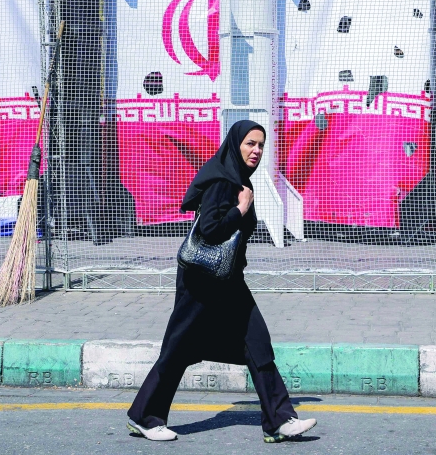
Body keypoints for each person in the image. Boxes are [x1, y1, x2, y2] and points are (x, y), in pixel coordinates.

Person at [127, 120, 318, 443]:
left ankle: (279, 419)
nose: (256, 150)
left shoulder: (239, 179)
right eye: (250, 144)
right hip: (201, 282)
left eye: (260, 145)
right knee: (177, 349)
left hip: (227, 280)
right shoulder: (222, 181)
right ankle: (144, 416)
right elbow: (210, 231)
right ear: (235, 145)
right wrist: (241, 209)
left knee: (257, 342)